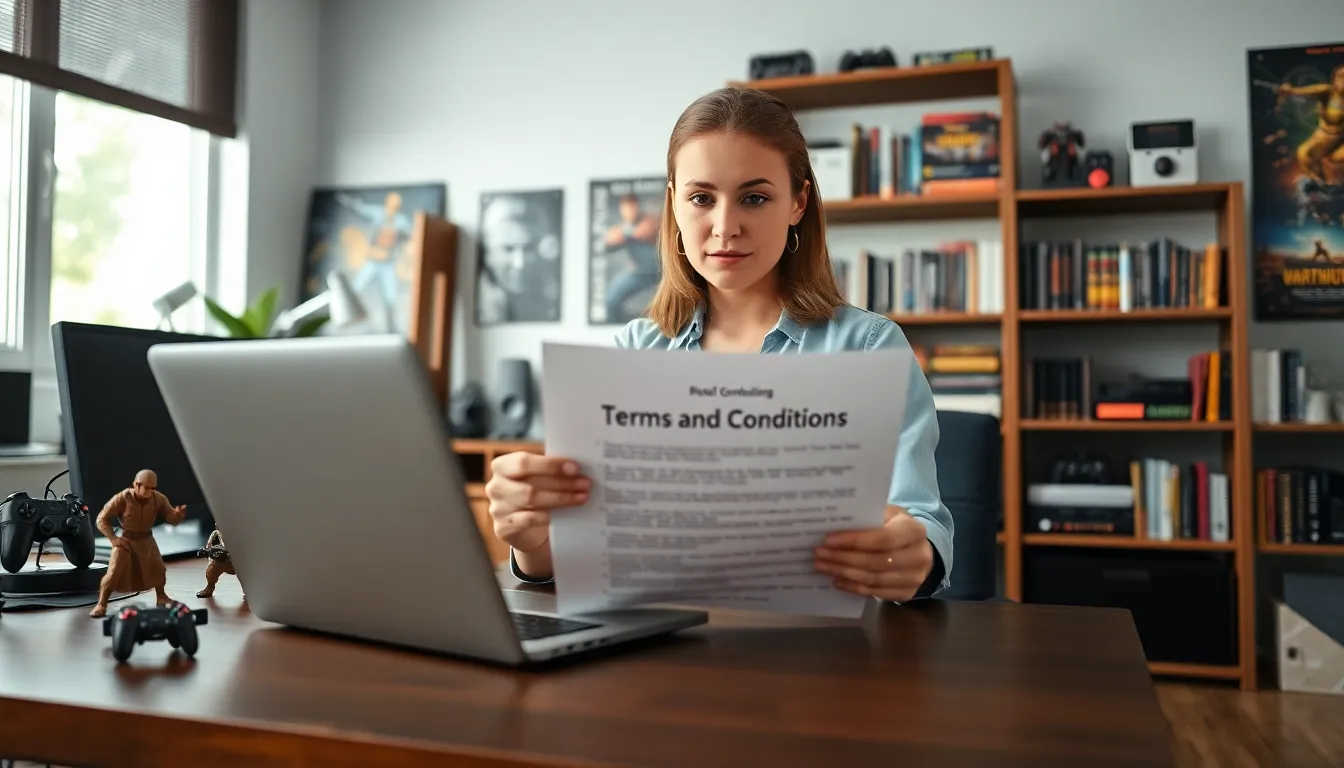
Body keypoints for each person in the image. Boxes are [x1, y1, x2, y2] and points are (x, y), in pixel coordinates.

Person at [486, 86, 954, 603]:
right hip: (663, 646)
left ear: (798, 202)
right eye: (701, 198)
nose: (725, 227)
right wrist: (531, 542)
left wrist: (913, 558)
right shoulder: (635, 350)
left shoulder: (868, 347)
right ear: (674, 203)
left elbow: (921, 527)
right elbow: (579, 557)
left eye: (754, 197)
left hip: (819, 657)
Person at [89, 469, 188, 617]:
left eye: (153, 488)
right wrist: (113, 539)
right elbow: (101, 519)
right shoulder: (123, 498)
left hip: (147, 540)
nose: (149, 491)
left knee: (158, 569)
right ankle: (101, 603)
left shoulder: (158, 498)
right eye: (146, 487)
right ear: (136, 484)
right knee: (114, 572)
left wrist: (178, 515)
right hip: (126, 540)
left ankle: (161, 596)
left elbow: (171, 519)